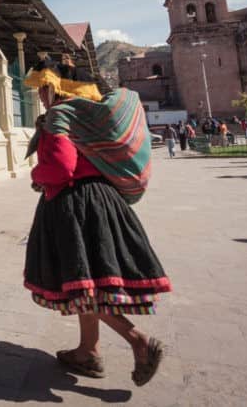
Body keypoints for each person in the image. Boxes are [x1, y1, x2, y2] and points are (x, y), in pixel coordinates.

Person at [24, 58, 169, 387]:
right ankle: (88, 351)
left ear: (57, 87)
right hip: (101, 200)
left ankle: (138, 342)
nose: (42, 96)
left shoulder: (61, 114)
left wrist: (36, 174)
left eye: (45, 88)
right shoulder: (89, 115)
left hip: (73, 205)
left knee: (80, 284)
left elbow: (61, 167)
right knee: (86, 283)